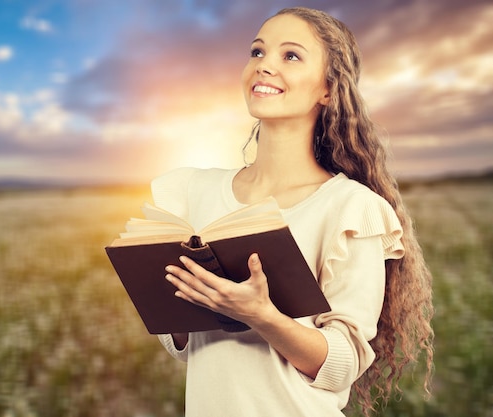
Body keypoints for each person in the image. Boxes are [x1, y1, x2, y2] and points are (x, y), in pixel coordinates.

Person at [150, 6, 434, 417]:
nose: (264, 66)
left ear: (329, 90)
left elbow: (342, 365)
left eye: (291, 56)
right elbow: (188, 349)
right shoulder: (194, 190)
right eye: (257, 52)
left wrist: (262, 316)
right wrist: (180, 300)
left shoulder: (350, 208)